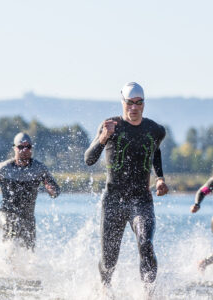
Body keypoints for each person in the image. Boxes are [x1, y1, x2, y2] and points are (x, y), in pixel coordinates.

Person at [85, 82, 169, 287]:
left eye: (138, 103)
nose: (134, 108)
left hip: (141, 199)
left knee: (146, 243)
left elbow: (154, 150)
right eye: (129, 103)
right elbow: (88, 159)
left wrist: (160, 178)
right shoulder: (110, 125)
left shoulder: (155, 130)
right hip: (113, 200)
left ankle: (148, 293)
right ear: (122, 102)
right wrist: (104, 137)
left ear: (144, 104)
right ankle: (105, 291)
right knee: (109, 260)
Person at [0, 132, 61, 250]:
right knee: (12, 227)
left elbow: (56, 191)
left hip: (28, 218)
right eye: (20, 147)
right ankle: (5, 262)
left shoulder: (39, 169)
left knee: (29, 252)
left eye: (28, 147)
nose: (24, 150)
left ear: (31, 148)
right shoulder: (4, 168)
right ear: (14, 148)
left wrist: (52, 191)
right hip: (5, 214)